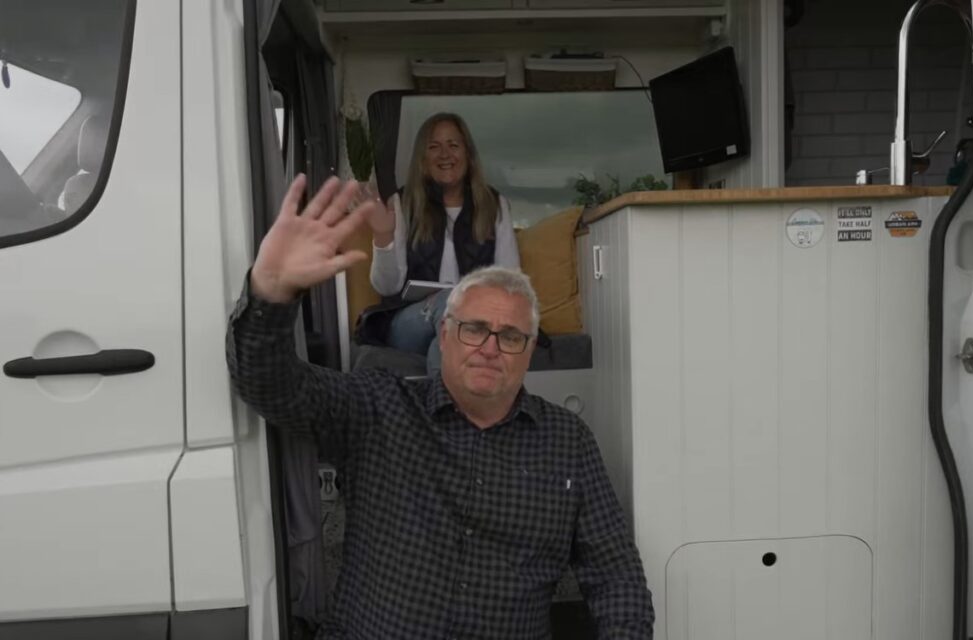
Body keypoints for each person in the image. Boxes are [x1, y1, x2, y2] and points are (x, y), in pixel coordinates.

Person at [227, 175, 654, 639]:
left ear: (529, 351)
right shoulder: (378, 409)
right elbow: (268, 383)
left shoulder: (567, 441)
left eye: (510, 336)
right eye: (473, 329)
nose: (490, 348)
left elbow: (615, 576)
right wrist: (270, 292)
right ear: (444, 335)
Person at [360, 112, 520, 371]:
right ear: (423, 159)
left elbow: (510, 280)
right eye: (433, 147)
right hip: (409, 322)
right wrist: (383, 236)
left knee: (444, 342)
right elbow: (387, 287)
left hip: (473, 323)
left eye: (453, 145)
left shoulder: (494, 205)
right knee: (450, 302)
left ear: (468, 154)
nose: (444, 154)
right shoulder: (403, 204)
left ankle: (445, 410)